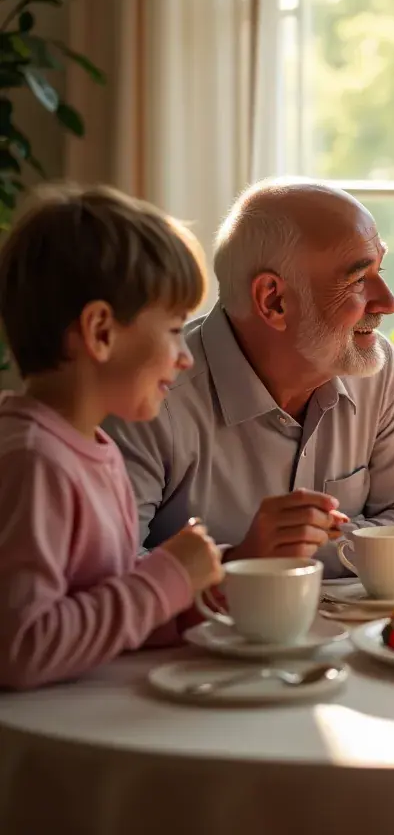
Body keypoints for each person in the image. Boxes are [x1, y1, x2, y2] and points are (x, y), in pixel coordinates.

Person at [105, 179, 394, 577]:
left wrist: (300, 550)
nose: (388, 302)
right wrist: (245, 559)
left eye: (380, 270)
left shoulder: (375, 367)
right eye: (359, 279)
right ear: (273, 300)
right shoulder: (151, 392)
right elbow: (110, 577)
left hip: (351, 638)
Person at [0, 185, 223, 690]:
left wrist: (187, 603)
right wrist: (167, 578)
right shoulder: (33, 460)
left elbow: (98, 609)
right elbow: (20, 647)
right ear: (101, 330)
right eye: (172, 330)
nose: (185, 356)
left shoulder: (95, 449)